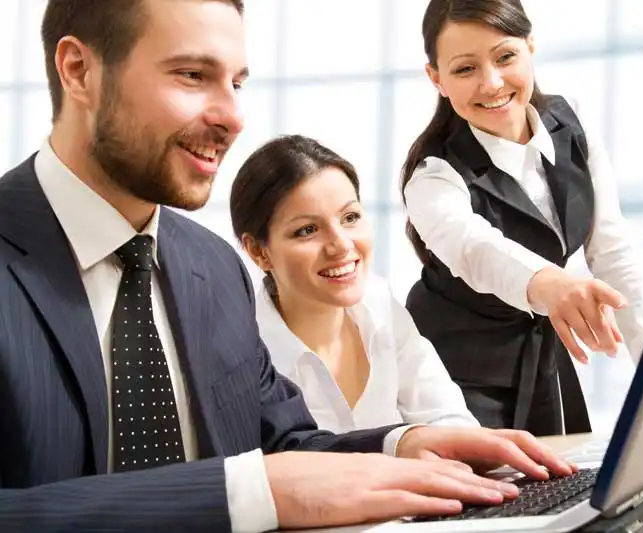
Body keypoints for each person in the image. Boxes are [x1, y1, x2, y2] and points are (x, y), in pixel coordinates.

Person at [0, 1, 579, 532]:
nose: (232, 115)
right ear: (78, 70)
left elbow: (283, 446)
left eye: (237, 83)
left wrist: (408, 445)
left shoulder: (210, 266)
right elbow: (260, 485)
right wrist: (244, 492)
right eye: (192, 76)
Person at [400, 0, 643, 438]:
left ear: (530, 47)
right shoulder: (433, 175)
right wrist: (550, 284)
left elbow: (612, 253)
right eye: (465, 69)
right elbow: (473, 248)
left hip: (540, 359)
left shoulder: (570, 124)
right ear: (436, 79)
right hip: (454, 372)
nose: (491, 83)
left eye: (505, 57)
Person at [230, 134, 480, 434]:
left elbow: (450, 421)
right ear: (259, 252)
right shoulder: (242, 357)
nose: (341, 245)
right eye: (307, 230)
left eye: (350, 217)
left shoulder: (378, 304)